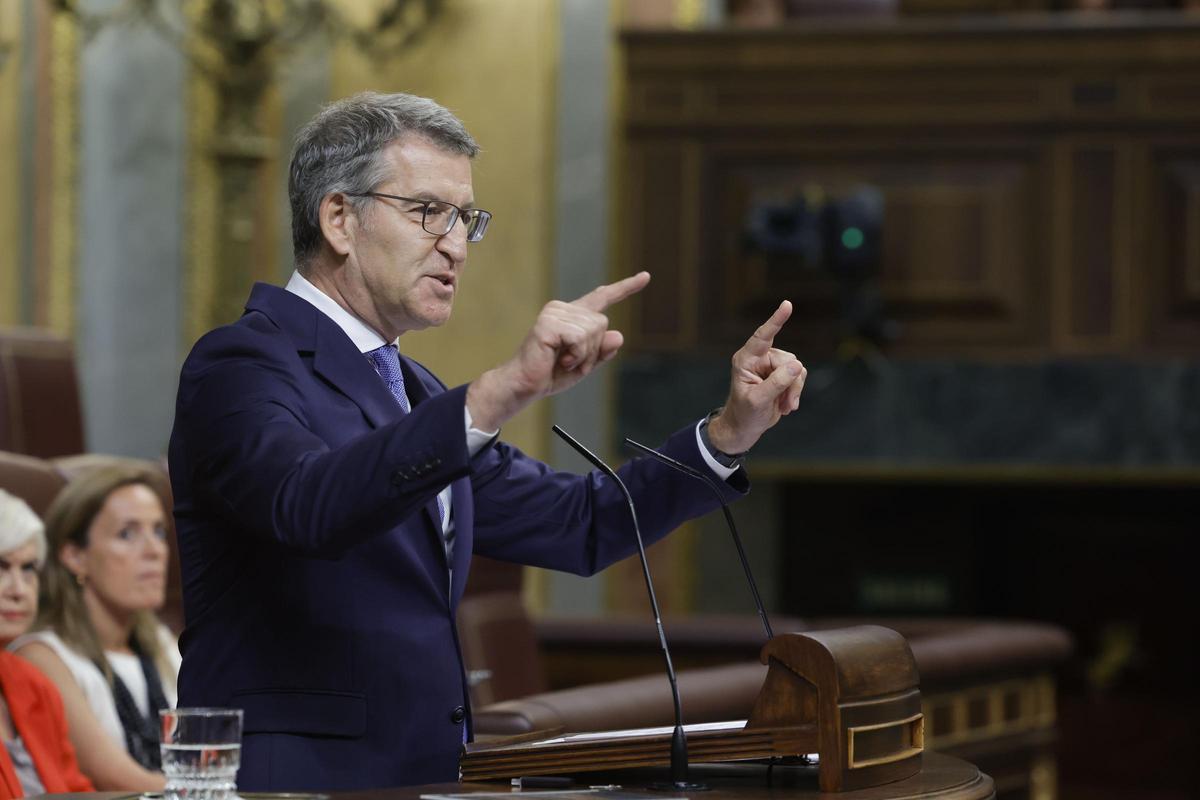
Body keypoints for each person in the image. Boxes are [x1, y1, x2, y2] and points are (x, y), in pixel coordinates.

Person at [168, 91, 807, 792]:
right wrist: (501, 391)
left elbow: (581, 523)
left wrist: (725, 435)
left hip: (427, 776)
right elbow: (307, 505)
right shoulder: (243, 362)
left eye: (464, 219)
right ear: (339, 218)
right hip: (294, 780)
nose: (453, 244)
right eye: (426, 212)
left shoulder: (409, 387)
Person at [12, 466, 179, 791]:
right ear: (75, 556)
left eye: (159, 532)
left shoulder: (161, 643)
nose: (155, 550)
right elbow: (118, 781)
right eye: (127, 534)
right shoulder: (42, 655)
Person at [0, 489, 94, 798]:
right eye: (1, 567)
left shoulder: (35, 686)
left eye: (28, 569)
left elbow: (76, 790)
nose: (19, 589)